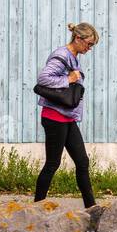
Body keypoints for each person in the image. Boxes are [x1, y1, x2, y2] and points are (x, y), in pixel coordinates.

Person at [34, 22, 99, 209]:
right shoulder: (61, 55)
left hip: (67, 117)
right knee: (53, 163)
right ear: (78, 38)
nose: (89, 48)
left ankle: (91, 208)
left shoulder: (74, 56)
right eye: (89, 43)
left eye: (92, 45)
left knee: (82, 161)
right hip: (54, 117)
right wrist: (68, 79)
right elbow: (43, 79)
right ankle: (37, 208)